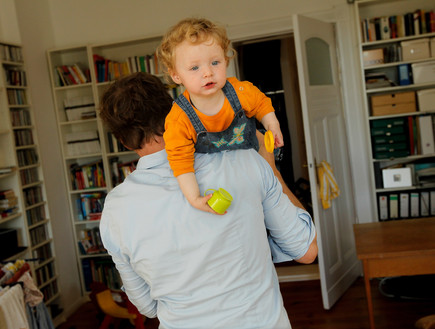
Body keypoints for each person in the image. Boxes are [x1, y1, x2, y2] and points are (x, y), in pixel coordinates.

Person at [99, 72, 317, 329]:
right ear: (175, 110)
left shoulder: (115, 209)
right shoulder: (242, 160)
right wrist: (271, 168)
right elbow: (306, 250)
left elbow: (147, 307)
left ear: (123, 140)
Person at [156, 17, 284, 214]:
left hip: (255, 173)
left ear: (225, 61)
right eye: (194, 68)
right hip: (219, 186)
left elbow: (261, 104)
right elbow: (180, 162)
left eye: (215, 62)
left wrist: (272, 125)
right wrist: (195, 198)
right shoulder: (178, 119)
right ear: (176, 76)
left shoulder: (240, 91)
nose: (207, 72)